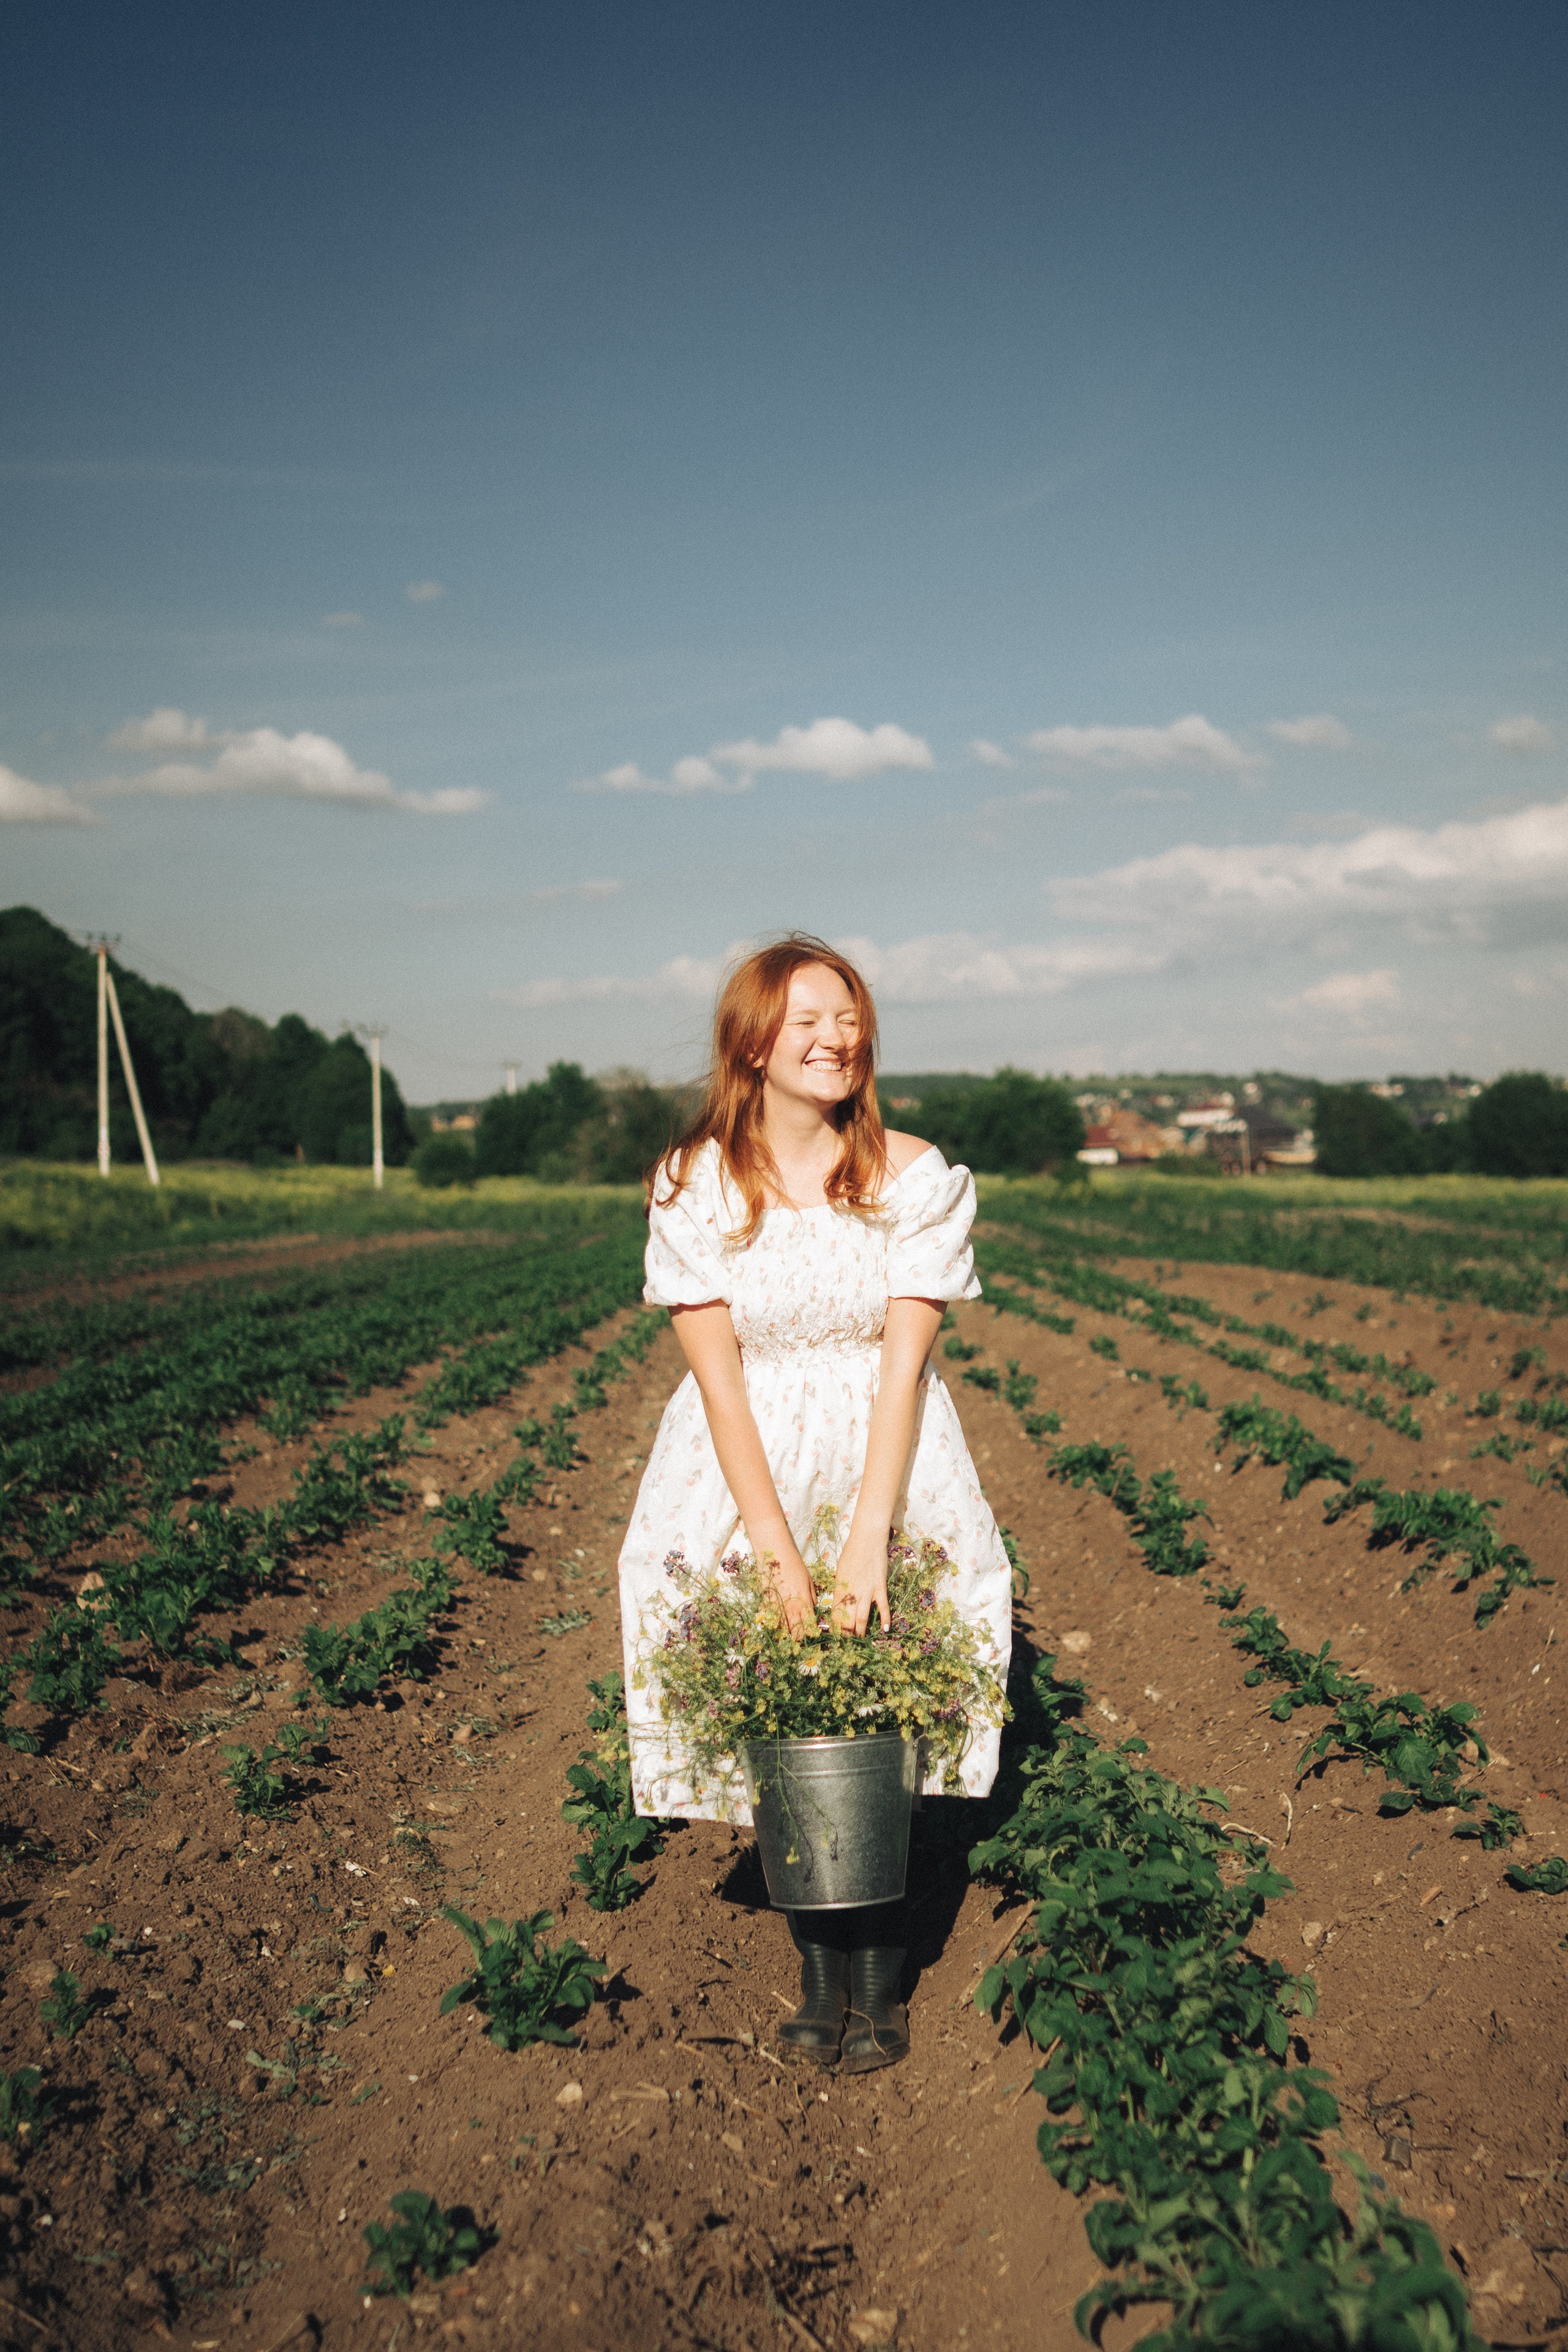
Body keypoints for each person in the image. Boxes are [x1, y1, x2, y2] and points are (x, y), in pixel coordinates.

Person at [616, 934, 1012, 2072]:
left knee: (881, 1700)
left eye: (849, 1018)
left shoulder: (911, 1177)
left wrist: (868, 1536)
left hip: (887, 1455)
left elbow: (905, 1368)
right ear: (752, 1043)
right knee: (784, 1708)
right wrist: (782, 1556)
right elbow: (720, 1387)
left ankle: (879, 1968)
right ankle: (816, 1966)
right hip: (745, 1472)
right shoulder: (693, 1185)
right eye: (809, 1021)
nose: (837, 1038)